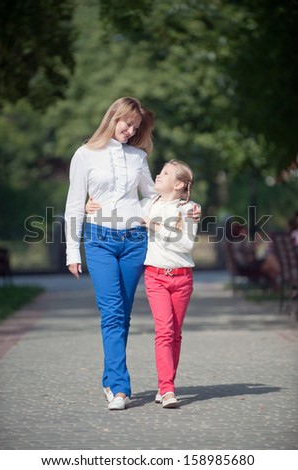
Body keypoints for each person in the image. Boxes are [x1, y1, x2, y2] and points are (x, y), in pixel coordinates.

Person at [65, 97, 200, 411]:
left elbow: (156, 196)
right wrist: (73, 249)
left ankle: (110, 378)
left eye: (136, 127)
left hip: (135, 241)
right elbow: (74, 205)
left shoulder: (138, 156)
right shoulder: (84, 155)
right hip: (98, 239)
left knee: (122, 315)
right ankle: (120, 387)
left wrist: (187, 207)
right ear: (113, 117)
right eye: (127, 123)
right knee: (111, 312)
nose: (129, 131)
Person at [143, 159, 198, 408]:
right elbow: (118, 210)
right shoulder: (148, 204)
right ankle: (167, 389)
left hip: (182, 278)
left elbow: (186, 245)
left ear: (178, 184)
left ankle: (165, 383)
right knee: (164, 331)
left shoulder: (189, 209)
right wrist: (91, 207)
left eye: (165, 173)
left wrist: (155, 227)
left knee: (175, 334)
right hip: (155, 277)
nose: (158, 175)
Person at [231, 222, 280, 292]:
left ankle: (276, 287)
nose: (246, 231)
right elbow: (246, 257)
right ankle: (281, 279)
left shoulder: (238, 242)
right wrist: (257, 243)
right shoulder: (239, 243)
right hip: (247, 267)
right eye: (244, 230)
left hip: (247, 265)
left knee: (269, 264)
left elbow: (249, 252)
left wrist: (256, 244)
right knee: (270, 261)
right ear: (239, 231)